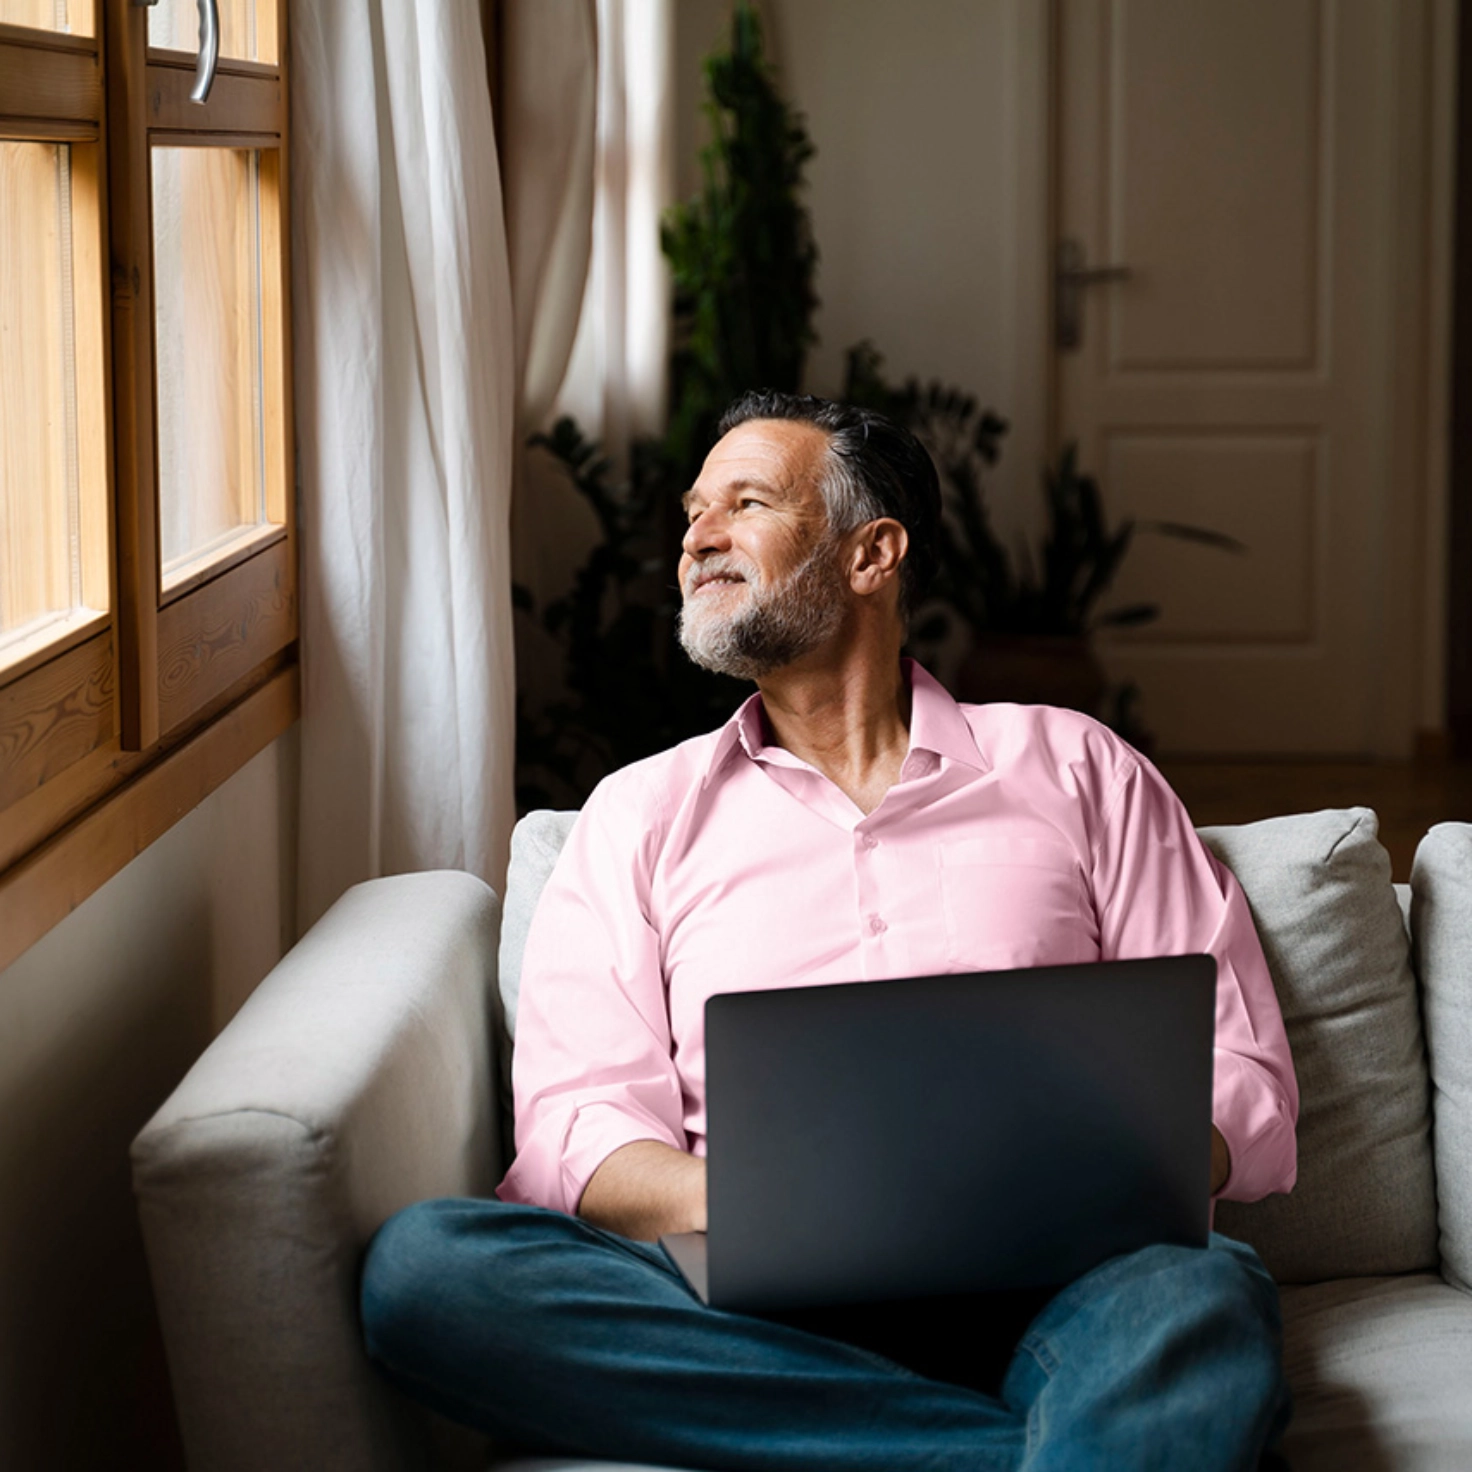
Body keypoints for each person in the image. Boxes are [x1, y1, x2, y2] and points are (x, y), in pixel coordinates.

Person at [361, 391, 1299, 1470]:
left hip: (1072, 1277)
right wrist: (796, 1202)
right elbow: (579, 1131)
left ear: (872, 553)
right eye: (690, 515)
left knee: (1197, 1298)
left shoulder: (1077, 766)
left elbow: (1240, 1074)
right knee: (428, 1270)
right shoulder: (639, 814)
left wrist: (1054, 1178)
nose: (697, 537)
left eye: (745, 501)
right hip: (752, 1296)